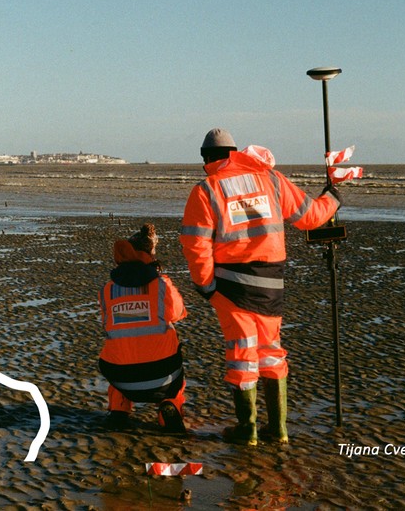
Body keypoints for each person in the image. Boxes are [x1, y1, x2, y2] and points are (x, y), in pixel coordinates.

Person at [179, 128, 341, 445]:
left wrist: (206, 286)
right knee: (270, 353)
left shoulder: (207, 189)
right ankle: (278, 429)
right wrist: (332, 198)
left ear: (207, 158)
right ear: (234, 152)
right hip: (271, 284)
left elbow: (195, 244)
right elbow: (310, 217)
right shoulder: (271, 179)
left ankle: (248, 429)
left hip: (231, 287)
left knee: (242, 357)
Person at [98, 223, 189, 433]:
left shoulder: (108, 290)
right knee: (169, 335)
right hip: (162, 376)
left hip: (122, 378)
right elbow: (178, 313)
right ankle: (170, 404)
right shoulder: (161, 284)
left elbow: (106, 325)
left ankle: (119, 410)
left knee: (119, 348)